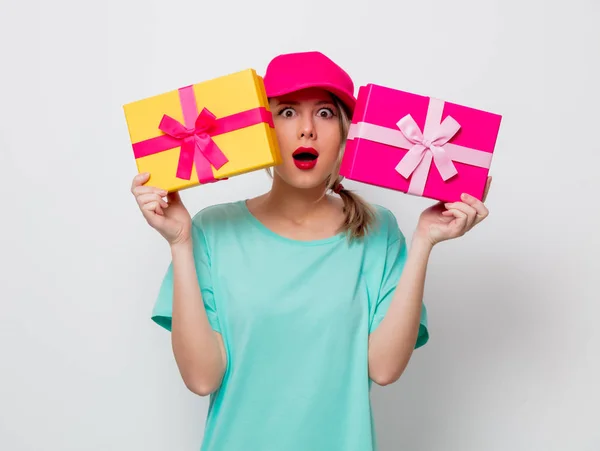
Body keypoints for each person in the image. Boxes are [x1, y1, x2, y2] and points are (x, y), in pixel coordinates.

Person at [130, 51, 492, 451]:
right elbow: (202, 378)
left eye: (324, 113)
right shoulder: (213, 230)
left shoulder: (379, 231)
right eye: (286, 113)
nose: (306, 130)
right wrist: (180, 243)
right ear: (264, 129)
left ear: (345, 131)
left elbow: (385, 369)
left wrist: (424, 239)